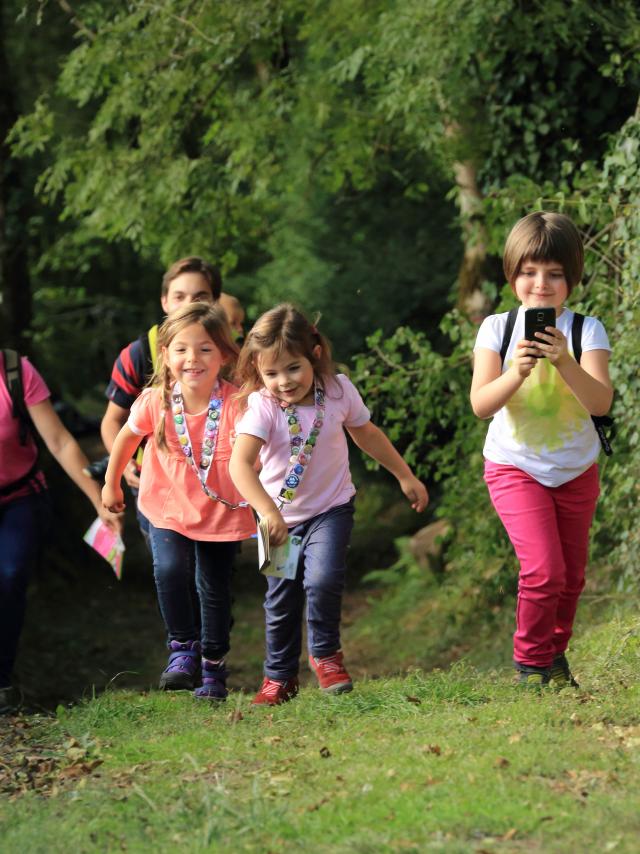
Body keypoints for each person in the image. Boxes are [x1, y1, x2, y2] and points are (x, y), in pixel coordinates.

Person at [229, 304, 429, 706]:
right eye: (271, 373)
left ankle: (326, 656)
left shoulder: (337, 390)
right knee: (281, 598)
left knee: (321, 580)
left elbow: (367, 434)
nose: (283, 382)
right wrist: (268, 513)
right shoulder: (262, 407)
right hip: (278, 519)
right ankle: (279, 678)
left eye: (293, 368)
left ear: (314, 354)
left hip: (331, 510)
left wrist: (405, 475)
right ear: (257, 370)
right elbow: (239, 466)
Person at [470, 211, 613, 688]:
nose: (541, 285)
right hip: (515, 467)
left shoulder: (586, 330)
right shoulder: (497, 329)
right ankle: (531, 664)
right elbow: (480, 404)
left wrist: (564, 360)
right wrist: (518, 370)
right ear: (512, 275)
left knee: (571, 578)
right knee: (544, 570)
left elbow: (600, 401)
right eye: (529, 272)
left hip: (576, 470)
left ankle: (554, 655)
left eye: (554, 274)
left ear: (571, 278)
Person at [102, 303, 255, 700]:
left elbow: (260, 453)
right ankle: (183, 648)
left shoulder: (240, 404)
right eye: (182, 350)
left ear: (224, 354)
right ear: (166, 356)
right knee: (170, 569)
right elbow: (125, 439)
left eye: (205, 349)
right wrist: (111, 483)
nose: (193, 359)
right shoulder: (156, 401)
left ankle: (214, 669)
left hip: (221, 514)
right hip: (166, 508)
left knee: (214, 588)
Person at [0, 350, 122, 714]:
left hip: (19, 497)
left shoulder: (14, 371)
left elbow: (60, 442)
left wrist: (98, 498)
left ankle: (2, 680)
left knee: (8, 576)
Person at [100, 257, 222, 545]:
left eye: (200, 296)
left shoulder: (227, 354)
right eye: (179, 296)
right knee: (170, 570)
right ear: (165, 301)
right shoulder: (138, 354)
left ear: (215, 302)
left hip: (214, 487)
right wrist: (125, 467)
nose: (188, 304)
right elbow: (112, 421)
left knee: (211, 579)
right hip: (154, 483)